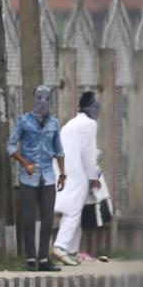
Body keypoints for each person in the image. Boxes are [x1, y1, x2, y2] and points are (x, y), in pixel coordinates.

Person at [8, 85, 66, 272]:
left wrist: (62, 174)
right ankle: (31, 258)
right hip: (28, 177)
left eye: (47, 98)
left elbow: (59, 151)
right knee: (28, 219)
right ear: (34, 99)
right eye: (39, 97)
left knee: (48, 220)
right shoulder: (24, 121)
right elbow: (11, 146)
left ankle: (44, 258)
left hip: (48, 177)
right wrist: (24, 163)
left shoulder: (53, 123)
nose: (43, 102)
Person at [52, 91, 104, 267]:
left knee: (73, 211)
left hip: (63, 172)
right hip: (77, 173)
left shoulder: (70, 124)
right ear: (91, 108)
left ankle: (73, 251)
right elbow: (88, 153)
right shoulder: (90, 124)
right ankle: (60, 246)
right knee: (73, 212)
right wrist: (94, 176)